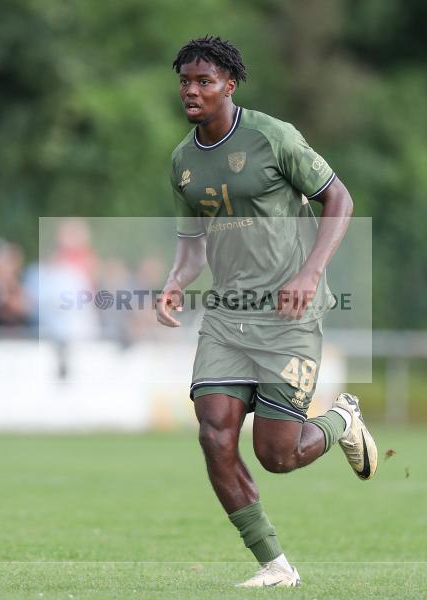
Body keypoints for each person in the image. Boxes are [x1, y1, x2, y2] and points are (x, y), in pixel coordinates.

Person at [156, 37, 378, 588]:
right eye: (186, 80)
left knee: (278, 455)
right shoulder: (183, 162)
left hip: (288, 319)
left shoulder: (272, 137)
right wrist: (175, 281)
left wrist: (309, 273)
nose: (192, 90)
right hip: (227, 320)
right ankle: (274, 565)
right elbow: (192, 244)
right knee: (214, 435)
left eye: (205, 81)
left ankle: (341, 419)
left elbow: (340, 199)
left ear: (230, 85)